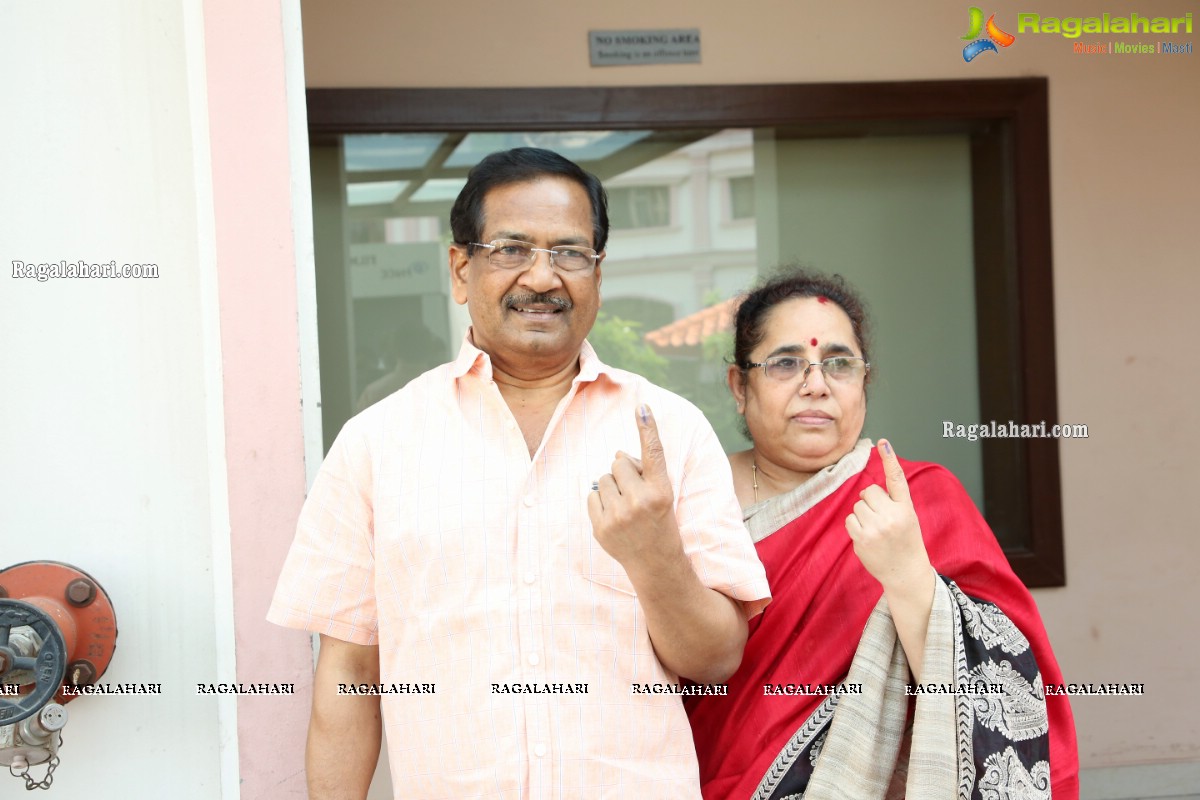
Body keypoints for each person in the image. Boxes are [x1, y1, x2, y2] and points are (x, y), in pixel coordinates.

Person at [268, 147, 771, 799]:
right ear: (460, 268)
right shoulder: (376, 443)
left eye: (569, 252)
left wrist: (654, 557)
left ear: (597, 271)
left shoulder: (669, 433)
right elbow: (349, 675)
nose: (542, 277)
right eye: (511, 249)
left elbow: (716, 660)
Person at [686, 268, 1078, 799]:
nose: (816, 385)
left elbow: (1011, 693)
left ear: (863, 381)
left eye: (839, 364)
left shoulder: (920, 498)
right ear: (739, 385)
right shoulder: (692, 497)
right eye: (785, 364)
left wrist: (910, 577)